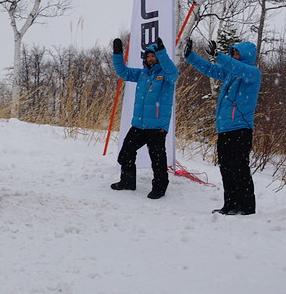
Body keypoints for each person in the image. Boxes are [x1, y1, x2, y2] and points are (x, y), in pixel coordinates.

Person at [183, 38, 261, 215]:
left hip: (241, 128)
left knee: (239, 168)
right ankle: (231, 205)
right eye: (233, 52)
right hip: (225, 128)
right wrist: (190, 56)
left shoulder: (252, 73)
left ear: (246, 55)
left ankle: (247, 208)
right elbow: (209, 69)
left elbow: (239, 68)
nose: (234, 55)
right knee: (226, 168)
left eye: (237, 53)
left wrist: (218, 55)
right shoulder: (230, 73)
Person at [111, 37, 178, 199]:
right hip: (139, 125)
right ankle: (127, 181)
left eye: (153, 56)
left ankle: (160, 187)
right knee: (125, 153)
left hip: (157, 125)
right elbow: (123, 72)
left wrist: (162, 53)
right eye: (148, 56)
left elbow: (172, 71)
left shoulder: (167, 76)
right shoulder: (142, 74)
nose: (150, 59)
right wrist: (117, 53)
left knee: (157, 159)